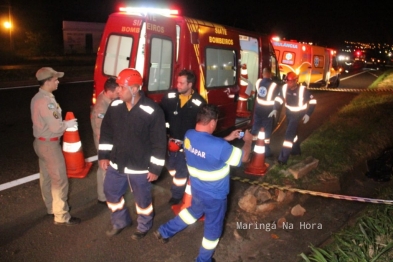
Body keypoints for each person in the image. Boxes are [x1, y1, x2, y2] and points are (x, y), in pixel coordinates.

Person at [154, 104, 251, 262]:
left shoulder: (189, 135)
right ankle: (203, 260)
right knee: (213, 229)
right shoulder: (220, 147)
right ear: (213, 122)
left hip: (197, 190)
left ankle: (164, 231)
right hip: (215, 196)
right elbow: (244, 158)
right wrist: (248, 141)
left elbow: (206, 145)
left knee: (192, 212)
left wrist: (227, 138)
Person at [98, 68, 167, 240]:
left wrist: (155, 168)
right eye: (118, 87)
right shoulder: (115, 106)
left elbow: (159, 142)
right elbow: (106, 132)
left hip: (140, 168)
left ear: (135, 89)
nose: (118, 90)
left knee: (142, 201)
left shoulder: (152, 111)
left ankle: (143, 226)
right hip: (117, 163)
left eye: (122, 87)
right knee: (111, 193)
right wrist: (104, 155)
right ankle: (120, 221)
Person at [30, 67, 80, 226]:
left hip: (40, 143)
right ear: (47, 81)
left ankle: (51, 207)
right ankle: (62, 215)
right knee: (59, 180)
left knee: (46, 177)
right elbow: (56, 128)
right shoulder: (47, 102)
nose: (58, 81)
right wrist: (68, 123)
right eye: (55, 79)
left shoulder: (37, 97)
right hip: (50, 146)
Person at [160, 69, 207, 205]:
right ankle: (180, 181)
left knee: (181, 171)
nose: (178, 85)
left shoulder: (199, 103)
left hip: (186, 145)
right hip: (168, 142)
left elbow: (201, 126)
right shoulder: (169, 96)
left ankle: (177, 195)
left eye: (181, 83)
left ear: (190, 84)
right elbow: (160, 114)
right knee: (170, 167)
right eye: (177, 82)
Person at [268, 72, 317, 165]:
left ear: (296, 81)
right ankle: (296, 151)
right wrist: (275, 109)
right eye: (287, 81)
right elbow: (279, 99)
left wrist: (308, 114)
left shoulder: (303, 90)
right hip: (289, 114)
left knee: (288, 136)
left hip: (298, 114)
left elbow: (313, 101)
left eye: (290, 81)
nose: (288, 83)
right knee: (293, 133)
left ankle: (282, 159)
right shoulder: (284, 88)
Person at [90, 77, 120, 204]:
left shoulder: (110, 99)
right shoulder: (101, 108)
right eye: (117, 92)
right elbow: (100, 133)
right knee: (105, 167)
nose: (120, 94)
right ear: (110, 91)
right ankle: (104, 197)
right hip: (104, 141)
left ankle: (107, 194)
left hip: (109, 139)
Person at [250, 67, 280, 158]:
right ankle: (266, 151)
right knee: (266, 131)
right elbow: (278, 98)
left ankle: (252, 147)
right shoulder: (274, 85)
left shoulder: (258, 82)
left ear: (263, 74)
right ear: (270, 74)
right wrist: (275, 109)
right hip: (268, 111)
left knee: (255, 128)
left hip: (258, 110)